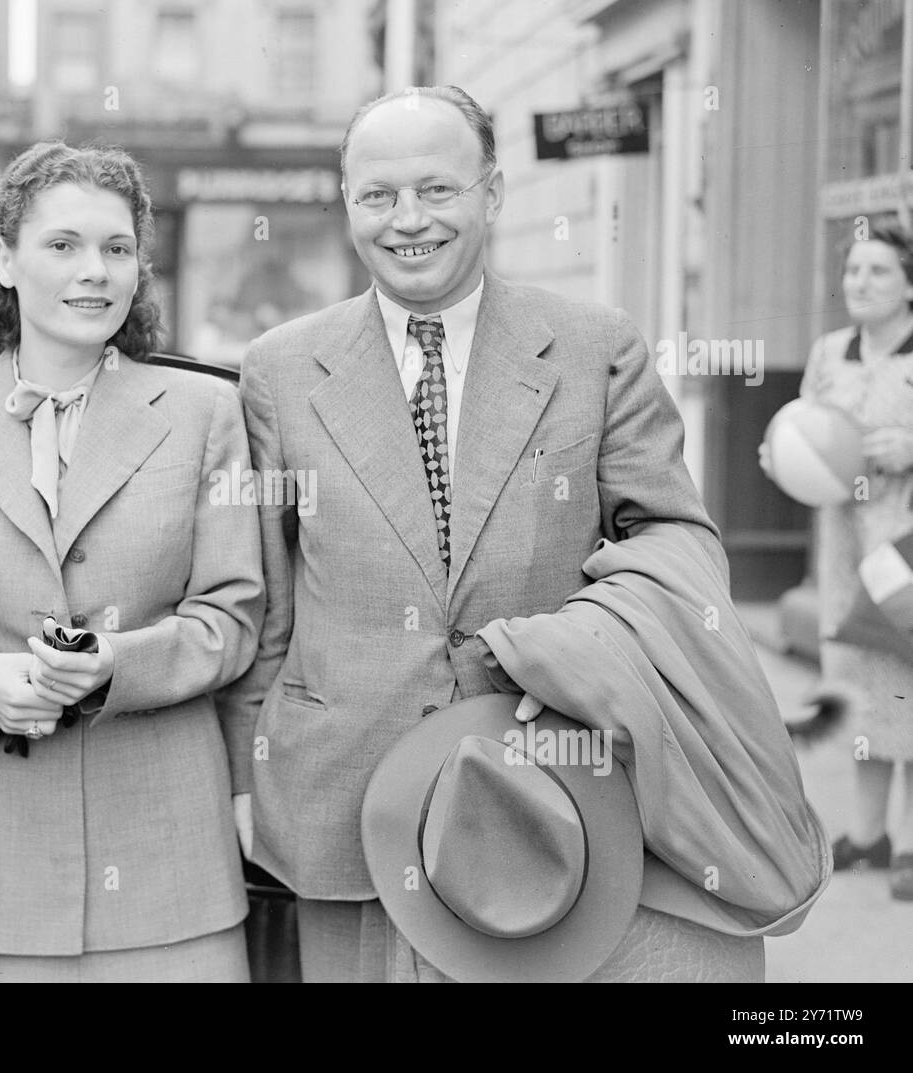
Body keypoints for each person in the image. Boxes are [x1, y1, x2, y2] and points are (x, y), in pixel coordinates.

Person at [218, 86, 790, 982]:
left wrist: (570, 643)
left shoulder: (596, 347)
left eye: (437, 190)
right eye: (378, 196)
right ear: (346, 204)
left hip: (550, 797)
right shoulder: (279, 370)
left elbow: (676, 542)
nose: (408, 220)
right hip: (345, 804)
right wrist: (246, 773)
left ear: (491, 192)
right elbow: (266, 600)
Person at [0, 141, 265, 981]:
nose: (96, 271)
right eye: (63, 246)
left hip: (173, 873)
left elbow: (233, 618)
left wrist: (117, 663)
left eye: (116, 248)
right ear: (4, 260)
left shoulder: (205, 412)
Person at [768, 224, 913, 901]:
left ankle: (910, 844)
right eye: (853, 270)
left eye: (878, 271)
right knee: (860, 686)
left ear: (909, 285)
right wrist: (781, 455)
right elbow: (802, 430)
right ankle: (866, 832)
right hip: (844, 544)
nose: (859, 282)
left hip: (905, 547)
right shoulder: (829, 351)